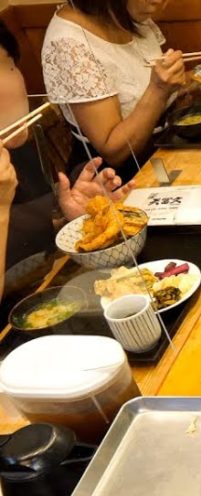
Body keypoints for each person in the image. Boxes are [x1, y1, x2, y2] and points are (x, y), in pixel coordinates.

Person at [0, 24, 132, 296]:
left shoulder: (21, 140)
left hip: (53, 289)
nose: (9, 86)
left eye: (7, 65)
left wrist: (65, 215)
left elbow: (30, 238)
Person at [40, 0, 185, 178]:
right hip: (114, 180)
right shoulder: (68, 43)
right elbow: (114, 152)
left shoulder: (122, 13)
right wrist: (159, 90)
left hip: (161, 155)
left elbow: (142, 84)